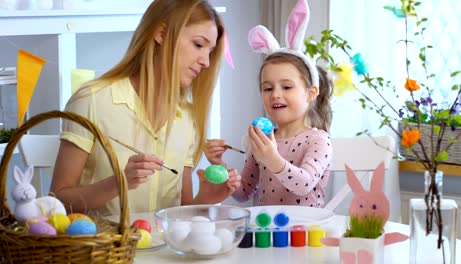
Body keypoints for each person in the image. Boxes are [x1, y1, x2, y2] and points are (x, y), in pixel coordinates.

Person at [50, 0, 241, 216]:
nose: (206, 62)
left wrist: (206, 199)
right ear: (161, 34)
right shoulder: (92, 100)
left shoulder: (188, 119)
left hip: (165, 248)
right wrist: (118, 183)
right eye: (198, 44)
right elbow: (58, 200)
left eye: (210, 51)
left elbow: (180, 213)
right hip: (106, 247)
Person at [204, 0, 333, 207]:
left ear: (311, 93)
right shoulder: (263, 141)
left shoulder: (318, 140)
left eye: (287, 87)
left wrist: (272, 158)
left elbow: (304, 184)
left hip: (305, 234)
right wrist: (220, 166)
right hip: (265, 234)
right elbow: (243, 192)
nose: (275, 95)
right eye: (268, 88)